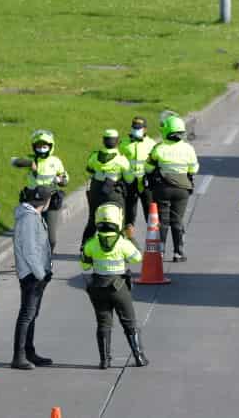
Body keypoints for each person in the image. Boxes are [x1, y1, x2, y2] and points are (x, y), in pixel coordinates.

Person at [80, 203, 147, 369]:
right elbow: (137, 258)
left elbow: (85, 266)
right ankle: (139, 357)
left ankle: (104, 360)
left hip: (98, 287)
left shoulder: (91, 243)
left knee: (103, 323)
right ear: (118, 221)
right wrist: (131, 237)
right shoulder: (122, 243)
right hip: (119, 287)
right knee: (129, 321)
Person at [145, 114, 199, 262]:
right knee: (177, 220)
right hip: (182, 190)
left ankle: (161, 252)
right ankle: (178, 253)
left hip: (162, 189)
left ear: (166, 130)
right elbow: (194, 169)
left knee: (162, 221)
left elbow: (148, 168)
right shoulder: (188, 148)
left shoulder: (159, 148)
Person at [12, 186, 54, 370]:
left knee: (31, 314)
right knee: (27, 315)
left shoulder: (34, 216)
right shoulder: (29, 219)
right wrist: (41, 275)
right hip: (32, 275)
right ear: (45, 202)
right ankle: (19, 356)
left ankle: (29, 352)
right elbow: (29, 251)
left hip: (36, 273)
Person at [83, 129, 134, 244]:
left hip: (96, 191)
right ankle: (119, 245)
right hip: (114, 192)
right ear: (117, 141)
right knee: (119, 218)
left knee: (93, 219)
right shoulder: (121, 159)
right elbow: (129, 179)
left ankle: (84, 246)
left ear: (104, 141)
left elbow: (89, 169)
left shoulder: (95, 156)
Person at [24, 129, 68, 251]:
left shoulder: (56, 161)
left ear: (50, 147)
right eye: (38, 147)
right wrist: (27, 163)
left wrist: (61, 180)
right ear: (34, 147)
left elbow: (65, 178)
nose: (41, 149)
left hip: (51, 200)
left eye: (44, 146)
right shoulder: (31, 160)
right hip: (34, 199)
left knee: (51, 239)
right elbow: (15, 162)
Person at [119, 117, 157, 239]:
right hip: (129, 182)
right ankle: (129, 241)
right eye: (134, 127)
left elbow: (155, 163)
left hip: (145, 183)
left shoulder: (151, 144)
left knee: (150, 212)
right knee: (129, 214)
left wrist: (152, 177)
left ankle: (154, 240)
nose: (136, 130)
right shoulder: (123, 143)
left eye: (139, 128)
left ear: (145, 129)